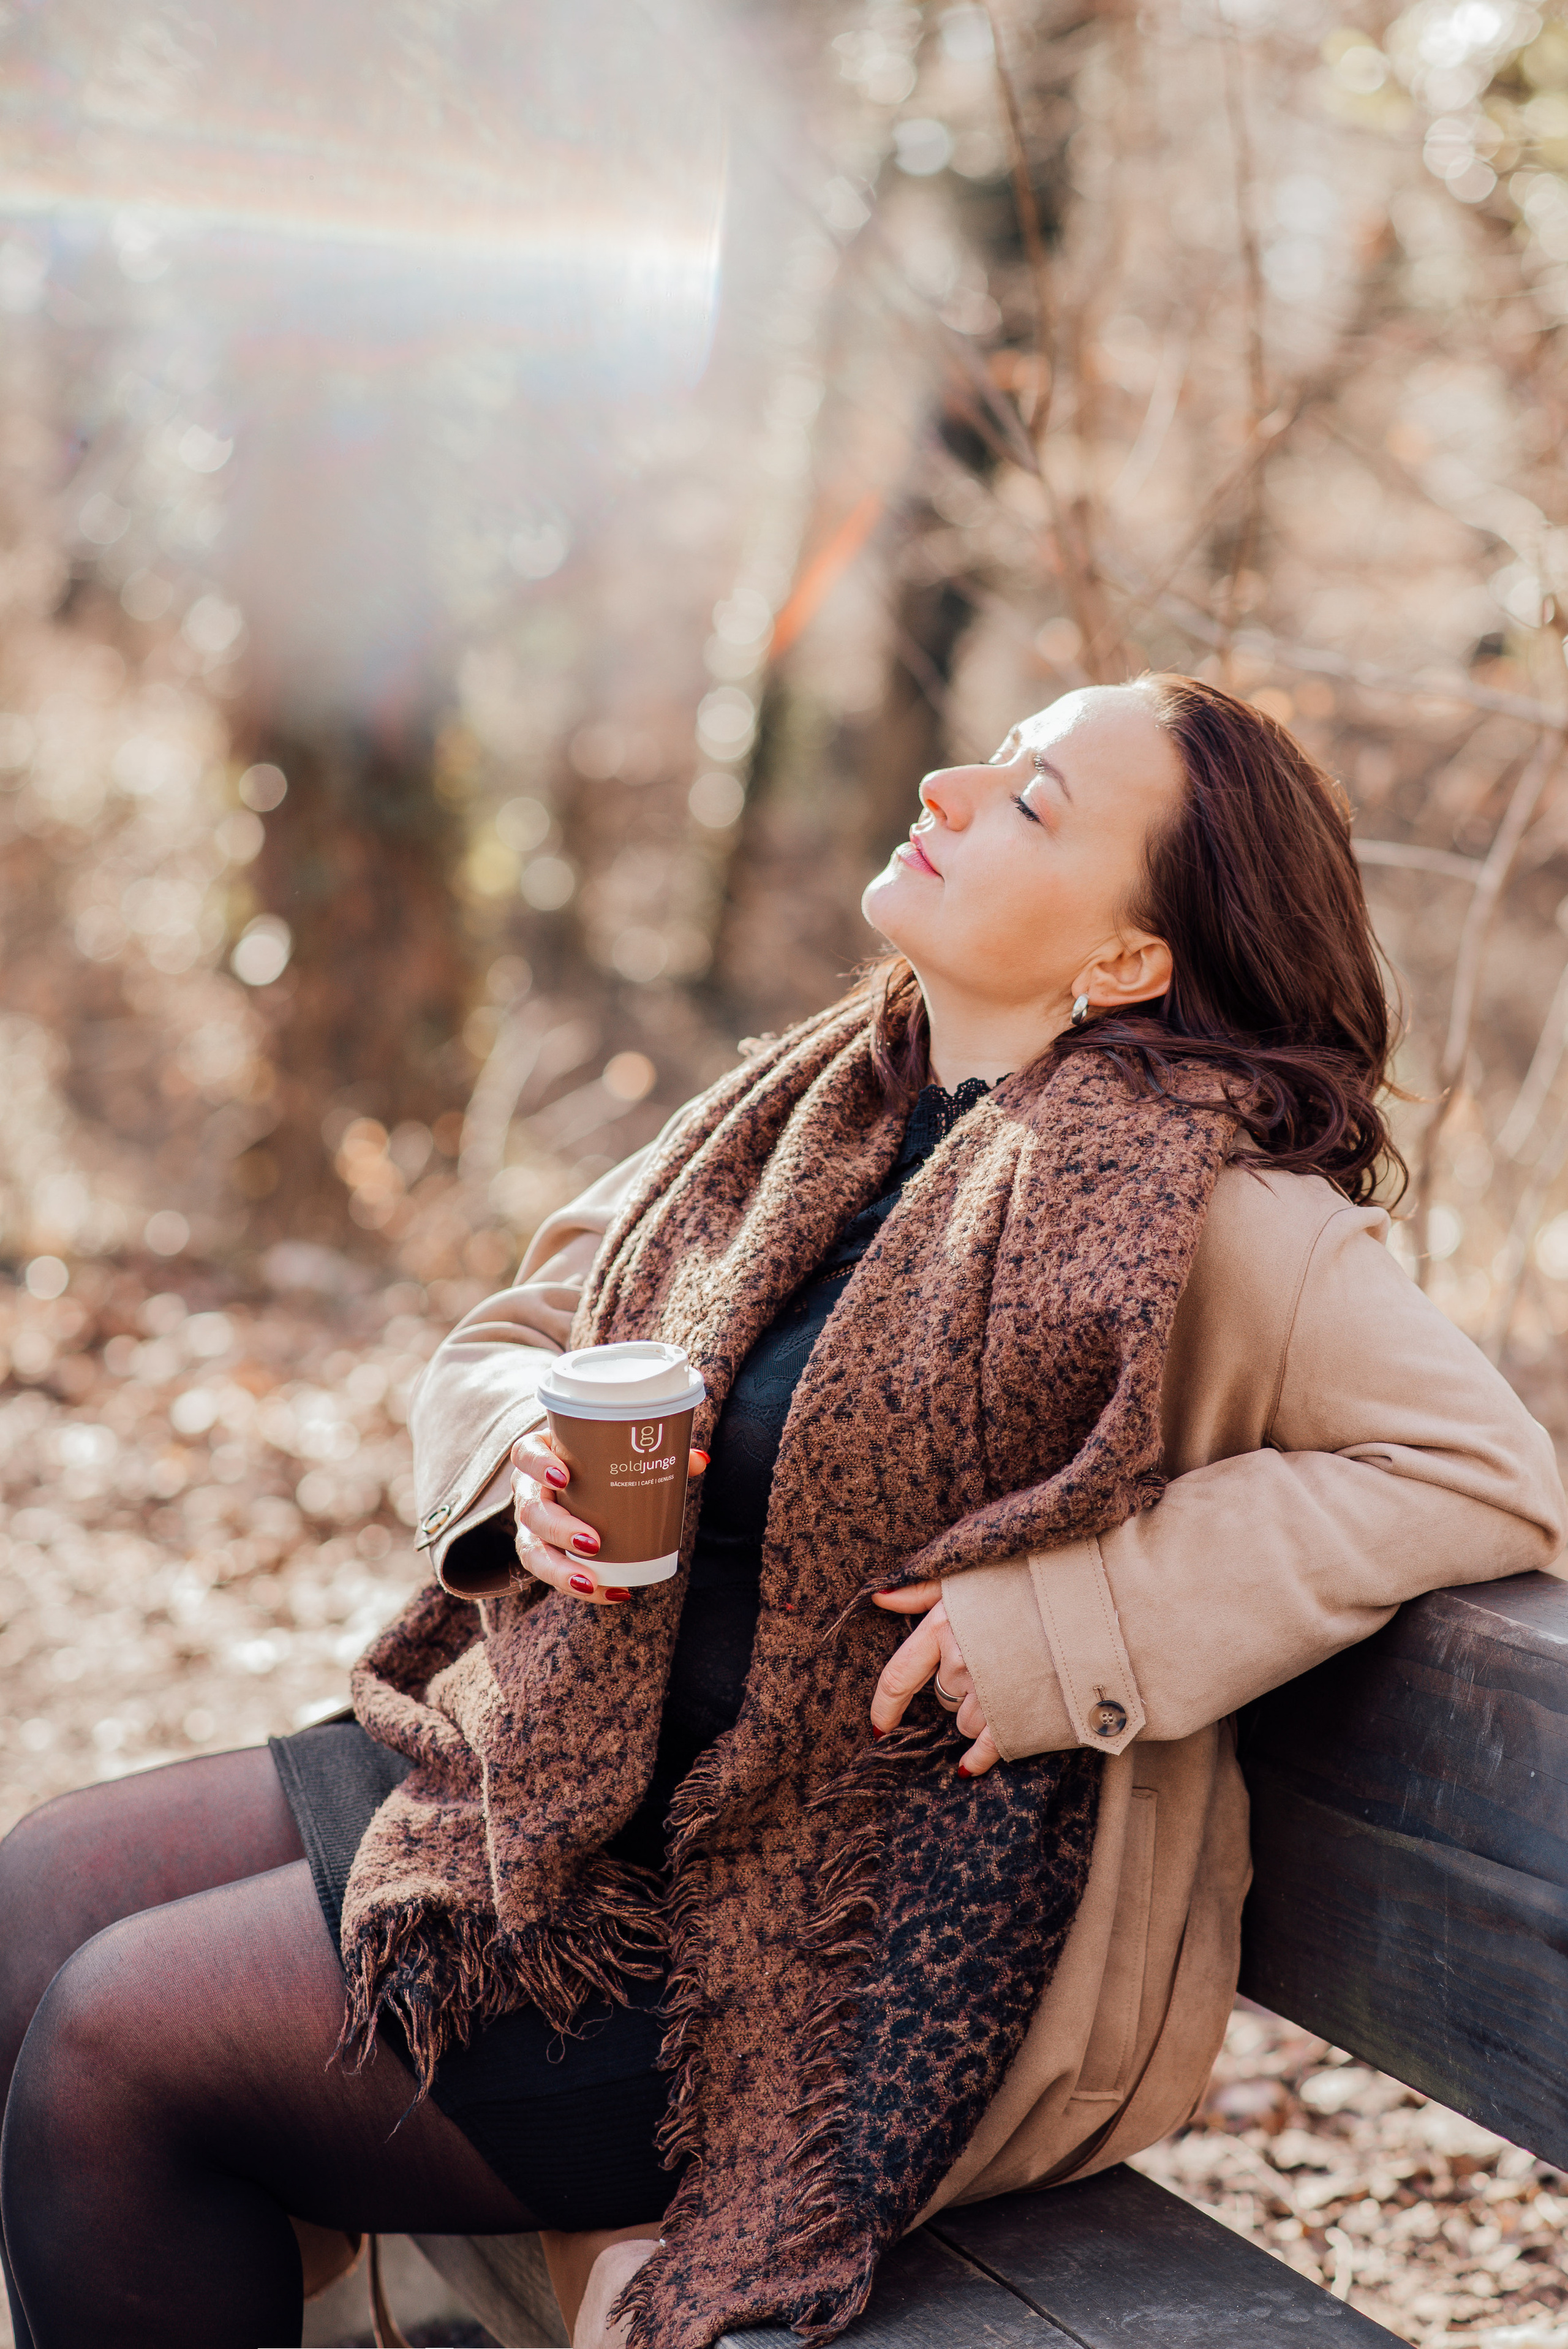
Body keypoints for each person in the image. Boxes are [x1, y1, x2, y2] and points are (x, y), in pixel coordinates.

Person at [0, 676, 1560, 2349]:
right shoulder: (815, 1104)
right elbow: (520, 1332)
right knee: (34, 1903)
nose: (954, 785)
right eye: (993, 754)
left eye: (1035, 801)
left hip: (837, 1930)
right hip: (568, 1787)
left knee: (116, 2055)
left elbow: (1484, 1472)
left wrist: (1069, 1623)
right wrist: (523, 1456)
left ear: (1126, 962)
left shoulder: (1217, 1214)